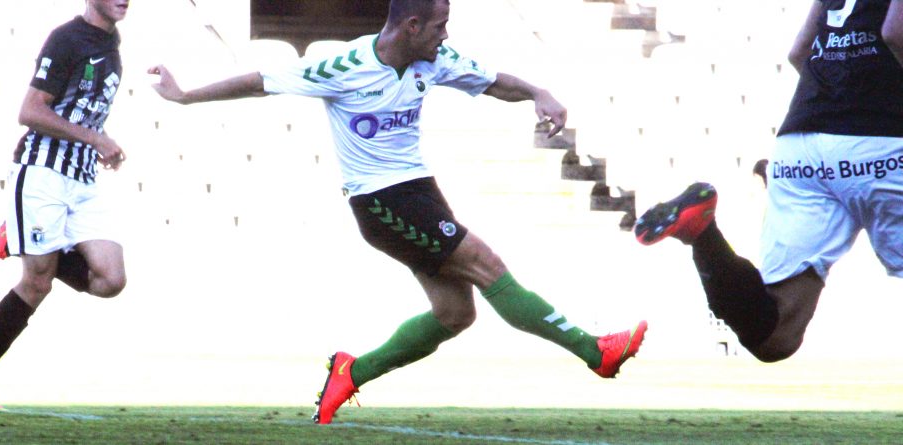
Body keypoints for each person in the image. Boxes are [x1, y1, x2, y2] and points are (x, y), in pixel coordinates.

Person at [149, 0, 648, 424]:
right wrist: (186, 96)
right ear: (412, 27)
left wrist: (540, 93)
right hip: (382, 201)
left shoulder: (434, 59)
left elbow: (494, 81)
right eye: (439, 26)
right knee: (488, 266)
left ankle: (352, 372)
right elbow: (260, 81)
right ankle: (594, 352)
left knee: (455, 314)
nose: (445, 34)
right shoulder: (342, 66)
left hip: (420, 192)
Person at [634, 0, 903, 362]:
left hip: (802, 143)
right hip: (884, 139)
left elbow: (799, 52)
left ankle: (701, 234)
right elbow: (894, 33)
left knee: (774, 336)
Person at [0, 0, 130, 410]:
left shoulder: (112, 41)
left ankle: (16, 237)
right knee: (38, 281)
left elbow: (81, 110)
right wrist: (95, 138)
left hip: (82, 177)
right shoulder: (66, 39)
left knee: (111, 280)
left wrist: (101, 142)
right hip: (42, 172)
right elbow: (30, 111)